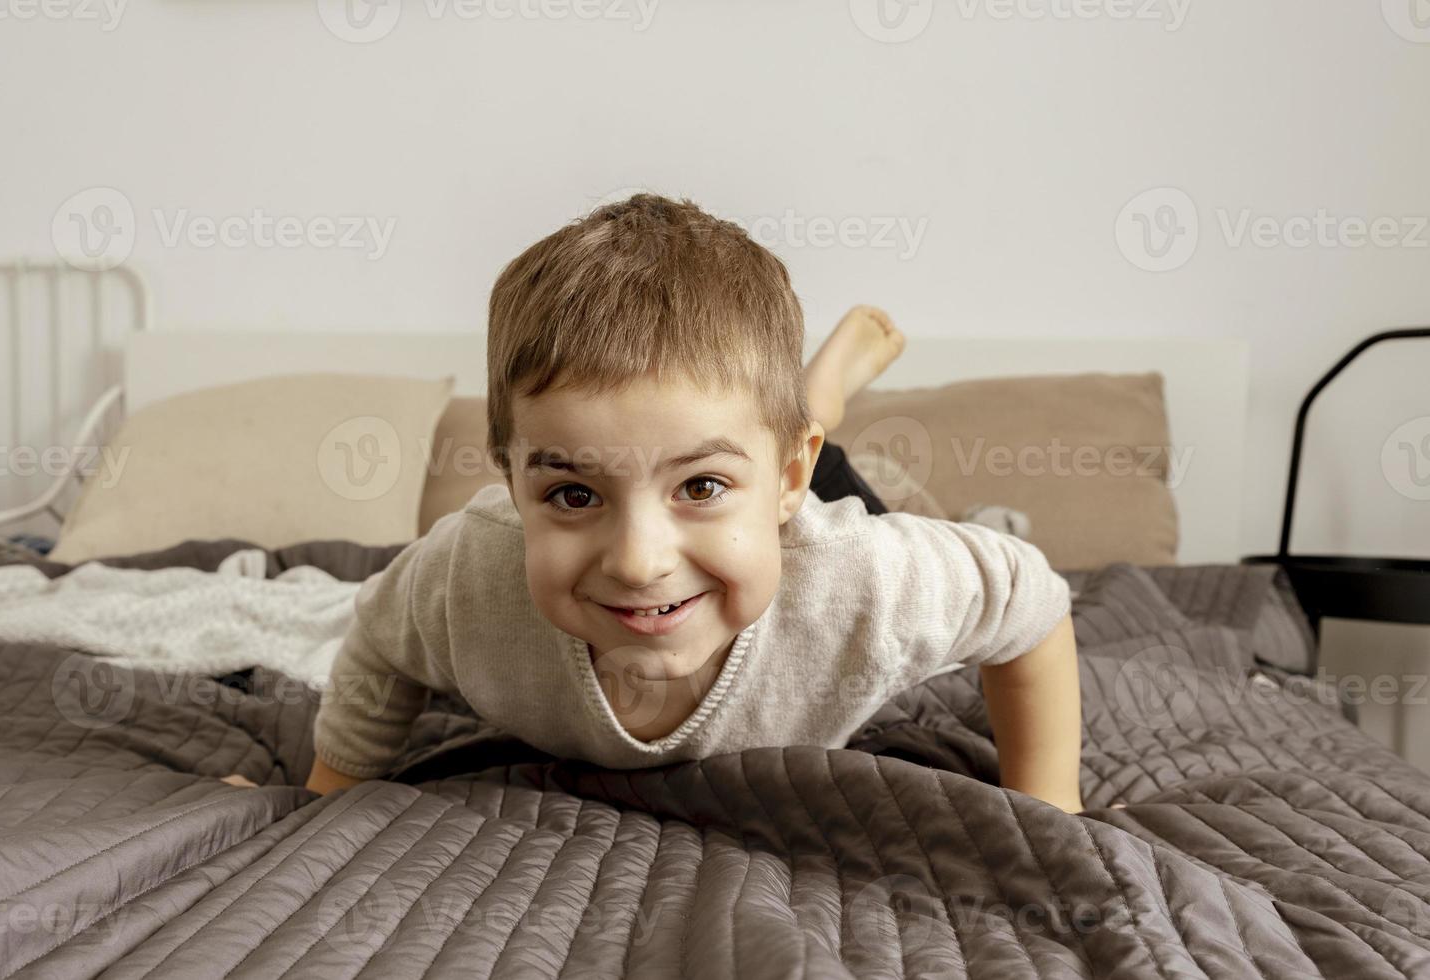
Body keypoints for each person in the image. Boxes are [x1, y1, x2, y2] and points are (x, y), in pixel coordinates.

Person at [295, 194, 1082, 812]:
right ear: (511, 486)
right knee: (738, 440)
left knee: (829, 476)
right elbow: (379, 639)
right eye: (572, 493)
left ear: (783, 480)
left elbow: (1031, 601)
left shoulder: (864, 577)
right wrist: (329, 788)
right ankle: (777, 426)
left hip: (807, 499)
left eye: (697, 488)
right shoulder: (467, 574)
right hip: (761, 461)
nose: (638, 563)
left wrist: (1047, 797)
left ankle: (816, 406)